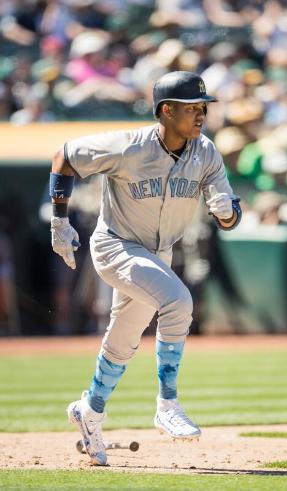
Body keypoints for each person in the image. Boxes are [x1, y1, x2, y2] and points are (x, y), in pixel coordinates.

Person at [49, 70, 242, 466]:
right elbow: (64, 156)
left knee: (124, 340)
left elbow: (229, 213)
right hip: (116, 245)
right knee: (178, 302)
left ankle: (90, 409)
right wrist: (59, 220)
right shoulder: (129, 146)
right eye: (192, 108)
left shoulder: (206, 151)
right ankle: (167, 404)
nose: (201, 114)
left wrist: (228, 214)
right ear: (166, 111)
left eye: (203, 107)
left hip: (158, 254)